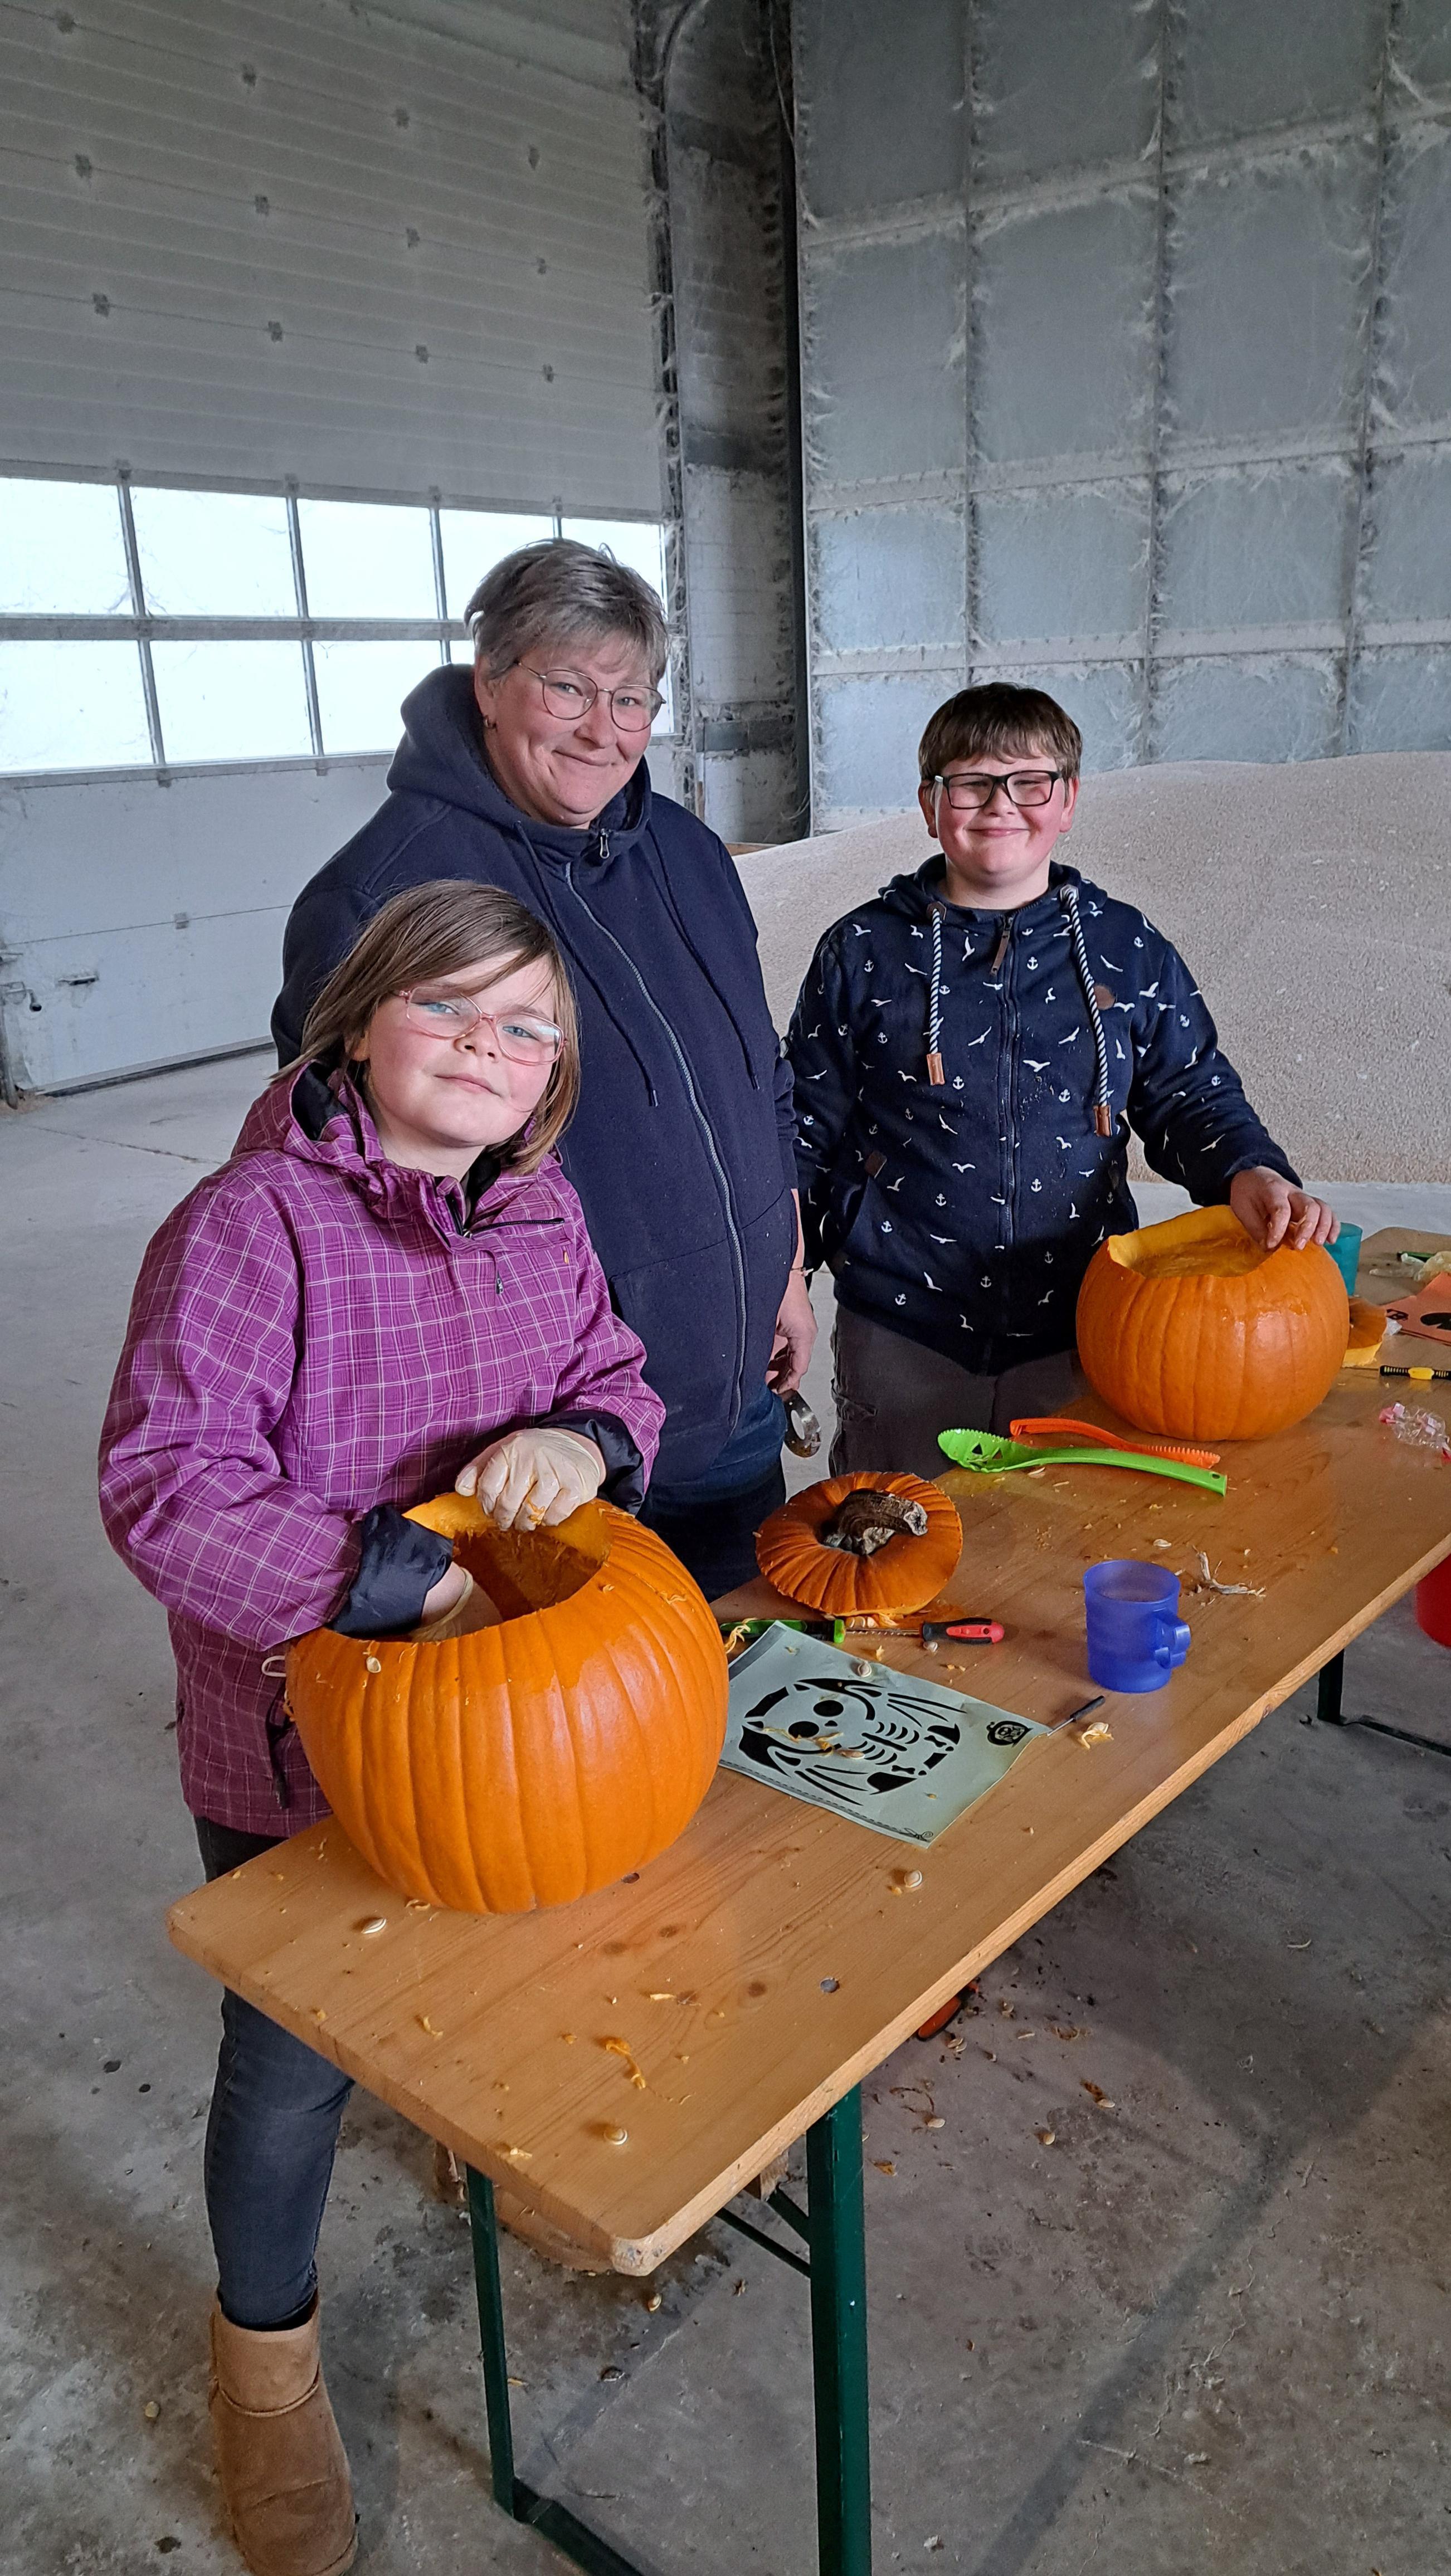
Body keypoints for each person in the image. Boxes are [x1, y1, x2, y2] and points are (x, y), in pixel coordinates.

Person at [99, 881, 664, 2576]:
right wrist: (394, 1581)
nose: (487, 1047)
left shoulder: (542, 1212)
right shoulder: (249, 1226)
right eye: (447, 1008)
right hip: (304, 1737)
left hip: (507, 1721)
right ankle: (264, 2364)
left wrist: (585, 1437)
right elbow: (166, 1485)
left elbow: (618, 1371)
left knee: (489, 1950)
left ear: (554, 1071)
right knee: (293, 2059)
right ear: (355, 1022)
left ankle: (461, 2143)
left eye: (525, 1026)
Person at [273, 539, 814, 1597]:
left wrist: (782, 1269)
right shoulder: (383, 893)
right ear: (488, 680)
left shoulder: (692, 856)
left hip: (735, 1396)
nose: (602, 730)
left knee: (746, 1678)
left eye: (631, 698)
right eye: (567, 686)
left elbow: (762, 1079)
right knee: (566, 1696)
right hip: (538, 1449)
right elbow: (344, 1195)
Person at [786, 682, 1337, 1476]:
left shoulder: (1127, 948)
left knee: (1057, 1539)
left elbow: (1191, 1093)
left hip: (1085, 1325)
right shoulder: (863, 952)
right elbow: (802, 1129)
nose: (1000, 806)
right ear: (931, 803)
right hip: (904, 1327)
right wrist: (784, 1276)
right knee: (899, 1534)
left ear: (1069, 800)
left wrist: (1249, 1169)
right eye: (972, 784)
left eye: (1030, 783)